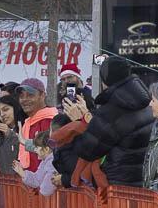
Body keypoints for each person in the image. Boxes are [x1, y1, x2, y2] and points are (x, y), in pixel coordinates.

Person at [66, 57, 153, 188]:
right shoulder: (146, 103)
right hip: (143, 181)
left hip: (117, 185)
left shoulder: (111, 110)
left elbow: (87, 150)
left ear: (105, 80)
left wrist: (81, 122)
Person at [15, 78, 57, 171]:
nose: (24, 100)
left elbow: (50, 151)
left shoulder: (49, 120)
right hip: (31, 181)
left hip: (45, 181)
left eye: (30, 95)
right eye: (21, 96)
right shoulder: (28, 122)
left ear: (42, 95)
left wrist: (25, 142)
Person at [12, 131, 57, 195]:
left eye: (37, 147)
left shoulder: (52, 163)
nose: (35, 150)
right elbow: (37, 180)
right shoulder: (45, 161)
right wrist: (22, 172)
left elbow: (46, 190)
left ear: (46, 149)